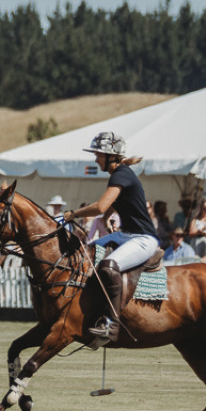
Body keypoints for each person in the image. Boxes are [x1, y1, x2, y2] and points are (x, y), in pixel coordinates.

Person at [62, 132, 159, 347]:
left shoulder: (121, 174)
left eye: (99, 155)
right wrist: (107, 219)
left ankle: (111, 324)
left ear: (111, 156)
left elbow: (100, 206)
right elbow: (112, 204)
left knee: (108, 266)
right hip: (126, 235)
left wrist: (73, 214)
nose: (96, 159)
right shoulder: (120, 174)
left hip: (143, 239)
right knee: (86, 254)